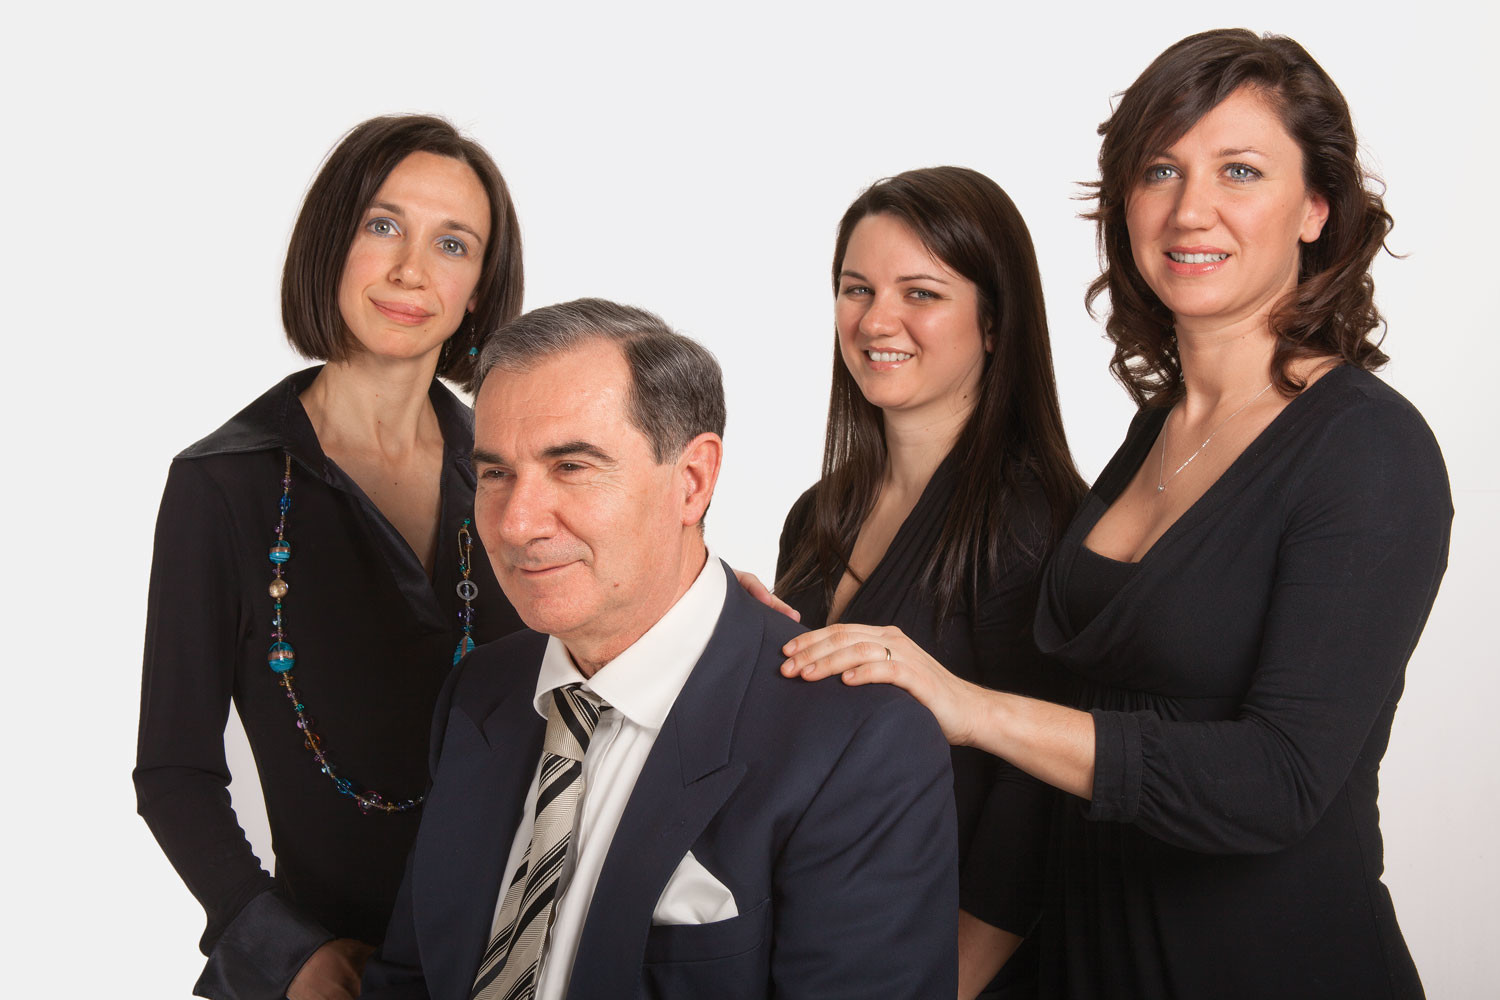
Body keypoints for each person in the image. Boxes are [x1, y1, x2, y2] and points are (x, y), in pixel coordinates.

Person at [781, 29, 1451, 999]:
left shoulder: (1367, 448)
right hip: (1093, 960)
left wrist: (974, 710)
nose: (1190, 209)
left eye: (1240, 170)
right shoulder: (1157, 431)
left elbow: (1280, 781)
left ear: (1316, 208)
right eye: (1160, 170)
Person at [362, 298, 958, 999]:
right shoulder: (481, 692)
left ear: (692, 481)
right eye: (495, 474)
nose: (516, 523)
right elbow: (408, 978)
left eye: (571, 466)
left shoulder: (858, 743)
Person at [134, 115, 527, 1000]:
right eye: (383, 225)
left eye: (453, 244)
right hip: (322, 973)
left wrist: (708, 600)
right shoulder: (222, 485)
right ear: (330, 242)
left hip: (509, 962)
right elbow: (173, 772)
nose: (411, 270)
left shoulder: (516, 475)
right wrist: (289, 955)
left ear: (479, 288)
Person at [772, 166, 1083, 999]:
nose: (877, 321)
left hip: (952, 969)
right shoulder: (818, 514)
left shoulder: (1032, 520)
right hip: (826, 946)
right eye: (857, 289)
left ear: (995, 323)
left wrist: (946, 983)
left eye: (921, 293)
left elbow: (1036, 806)